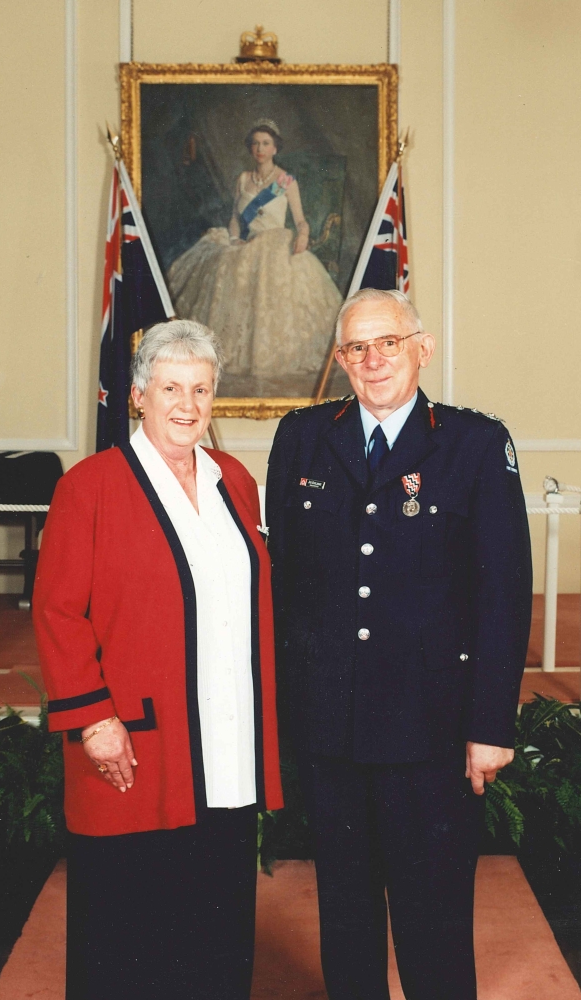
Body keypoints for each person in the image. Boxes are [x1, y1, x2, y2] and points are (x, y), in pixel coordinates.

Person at [266, 288, 532, 1000]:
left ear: (423, 347)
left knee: (434, 922)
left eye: (388, 342)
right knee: (345, 920)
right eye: (356, 347)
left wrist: (489, 726)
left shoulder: (474, 444)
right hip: (333, 732)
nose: (373, 359)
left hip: (432, 733)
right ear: (340, 359)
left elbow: (503, 595)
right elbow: (285, 589)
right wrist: (288, 726)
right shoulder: (302, 437)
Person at [33, 319, 283, 1000]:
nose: (187, 404)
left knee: (218, 920)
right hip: (136, 742)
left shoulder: (236, 481)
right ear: (138, 395)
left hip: (225, 749)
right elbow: (57, 612)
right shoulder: (89, 486)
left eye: (201, 389)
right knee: (126, 926)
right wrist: (92, 721)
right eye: (171, 387)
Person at [167, 119, 342, 397]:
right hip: (245, 244)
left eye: (266, 143)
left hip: (275, 244)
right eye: (256, 143)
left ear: (275, 148)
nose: (260, 149)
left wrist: (302, 235)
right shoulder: (243, 179)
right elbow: (235, 220)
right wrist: (235, 238)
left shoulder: (286, 181)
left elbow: (300, 220)